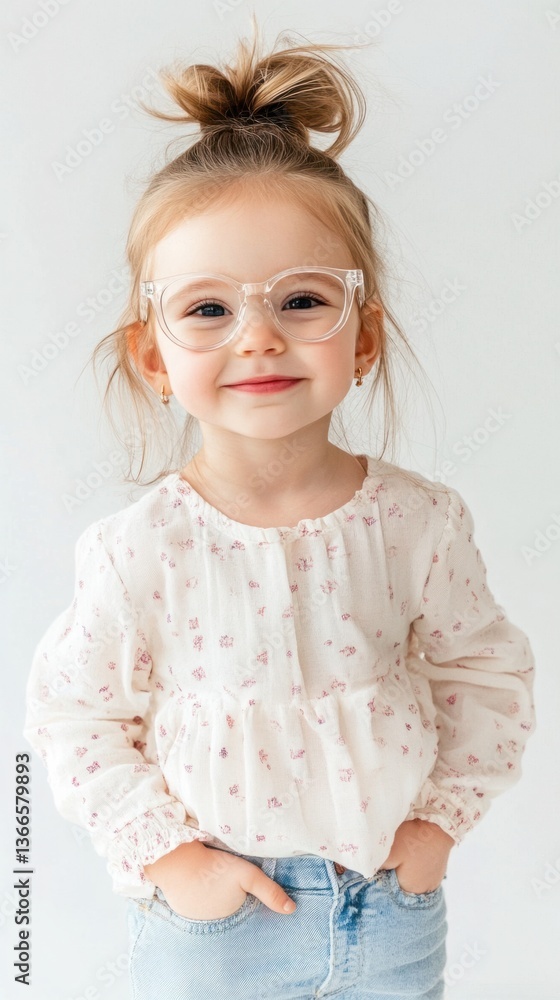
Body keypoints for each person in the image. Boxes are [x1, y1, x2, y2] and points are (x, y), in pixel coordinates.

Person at [23, 17, 536, 1000]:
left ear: (363, 336)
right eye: (208, 309)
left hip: (388, 909)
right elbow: (75, 715)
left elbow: (486, 674)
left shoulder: (417, 524)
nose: (257, 337)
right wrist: (173, 860)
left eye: (301, 301)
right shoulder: (141, 549)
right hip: (215, 931)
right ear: (153, 355)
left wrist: (435, 828)